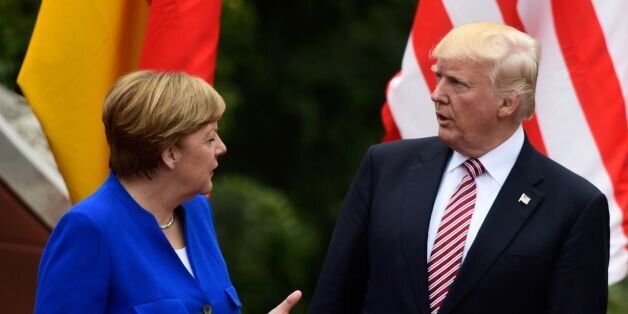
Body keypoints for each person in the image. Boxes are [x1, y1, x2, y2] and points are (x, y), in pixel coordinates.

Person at [310, 22, 609, 314]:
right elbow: (335, 297)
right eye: (439, 77)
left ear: (507, 102)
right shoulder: (385, 168)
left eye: (457, 83)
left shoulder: (575, 207)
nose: (437, 94)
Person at [34, 71, 301, 313]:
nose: (221, 148)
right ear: (170, 153)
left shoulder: (196, 209)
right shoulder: (89, 229)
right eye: (209, 138)